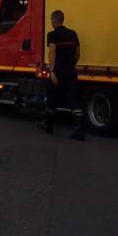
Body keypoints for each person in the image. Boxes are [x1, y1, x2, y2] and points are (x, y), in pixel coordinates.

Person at [40, 10, 84, 140]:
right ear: (62, 20)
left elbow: (52, 52)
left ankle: (48, 126)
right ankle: (78, 130)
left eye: (51, 21)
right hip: (70, 71)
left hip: (57, 72)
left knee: (51, 98)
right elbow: (78, 53)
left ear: (54, 21)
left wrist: (52, 71)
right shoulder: (72, 34)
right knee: (74, 100)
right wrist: (71, 64)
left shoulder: (52, 35)